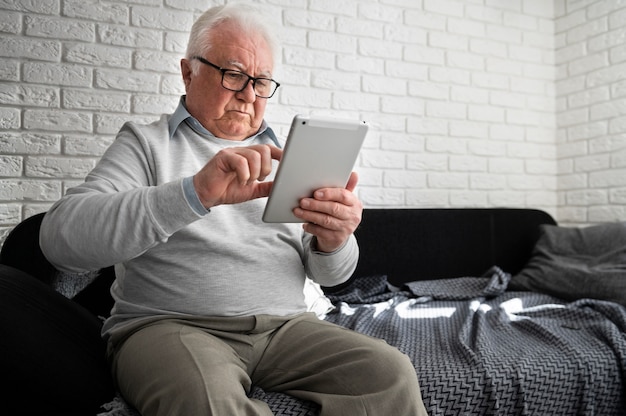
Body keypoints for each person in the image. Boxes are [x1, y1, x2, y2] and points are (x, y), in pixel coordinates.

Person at [40, 4, 427, 415]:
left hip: (287, 328)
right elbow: (59, 241)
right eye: (234, 74)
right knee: (207, 403)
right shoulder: (145, 143)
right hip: (171, 327)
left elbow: (331, 277)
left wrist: (335, 241)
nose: (248, 94)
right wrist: (194, 194)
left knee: (390, 373)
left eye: (260, 82)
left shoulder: (287, 153)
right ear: (189, 72)